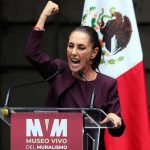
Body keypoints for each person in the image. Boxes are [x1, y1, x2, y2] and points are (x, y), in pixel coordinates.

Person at [25, 1, 125, 149]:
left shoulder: (107, 84)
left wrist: (115, 120)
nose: (73, 52)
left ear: (94, 53)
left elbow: (117, 129)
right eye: (70, 45)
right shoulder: (59, 71)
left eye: (81, 47)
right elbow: (31, 54)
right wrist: (44, 15)